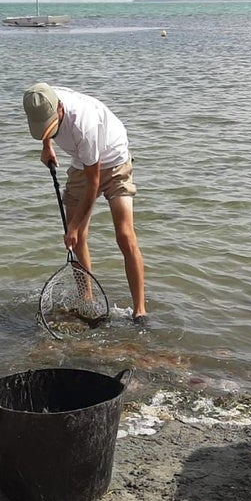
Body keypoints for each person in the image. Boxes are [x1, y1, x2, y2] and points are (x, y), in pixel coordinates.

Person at [23, 83, 147, 324]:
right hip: (83, 164)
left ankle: (140, 310)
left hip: (114, 159)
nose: (48, 130)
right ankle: (87, 299)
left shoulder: (83, 124)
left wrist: (74, 227)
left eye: (51, 127)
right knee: (77, 239)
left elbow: (94, 185)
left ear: (60, 109)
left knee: (124, 235)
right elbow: (44, 122)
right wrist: (46, 145)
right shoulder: (40, 98)